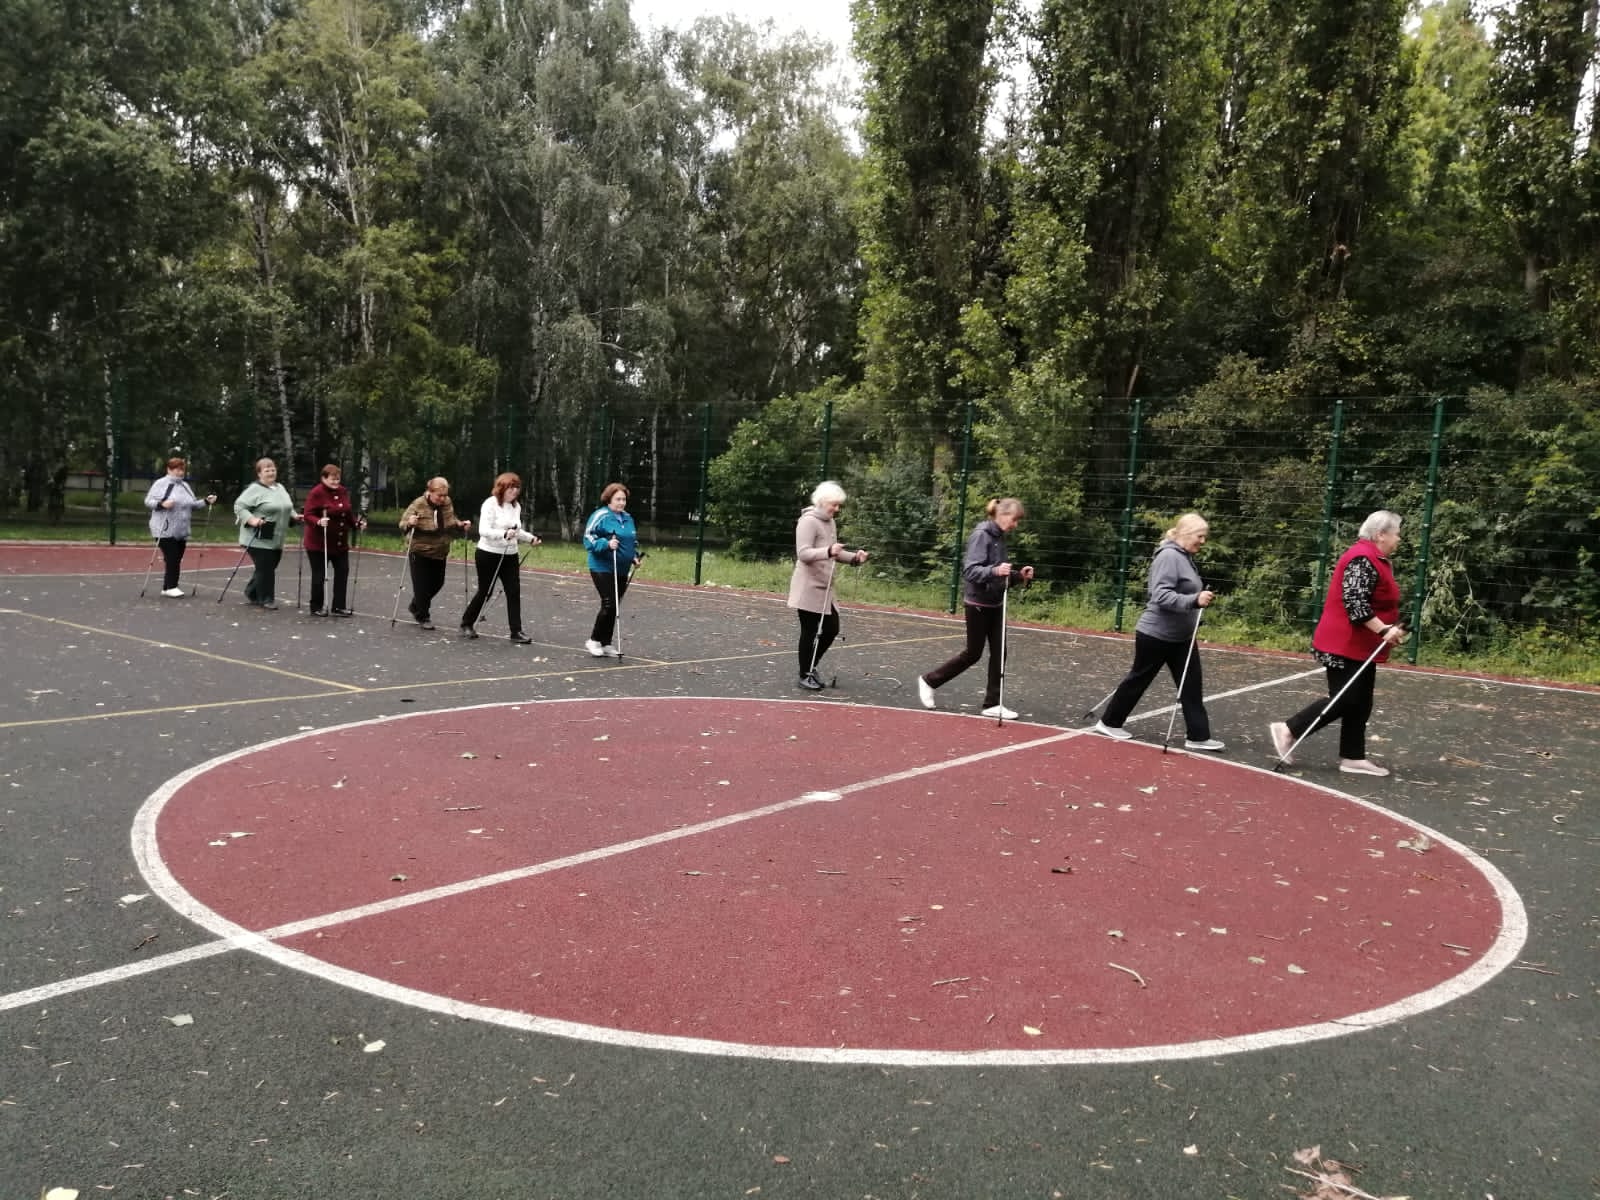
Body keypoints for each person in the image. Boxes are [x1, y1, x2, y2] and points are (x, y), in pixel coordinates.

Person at [1269, 509, 1408, 776]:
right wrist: (1384, 631)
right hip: (1342, 643)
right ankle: (1288, 729)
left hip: (1360, 645)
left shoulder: (1374, 558)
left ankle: (1353, 757)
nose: (1398, 539)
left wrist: (1387, 629)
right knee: (1347, 698)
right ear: (1381, 535)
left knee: (1361, 701)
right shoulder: (1361, 558)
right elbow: (1355, 604)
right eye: (1396, 534)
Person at [1090, 512, 1223, 750]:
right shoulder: (1170, 556)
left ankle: (1198, 736)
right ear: (1186, 534)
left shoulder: (1185, 556)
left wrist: (1195, 606)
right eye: (1200, 536)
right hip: (1157, 634)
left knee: (1191, 684)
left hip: (1182, 637)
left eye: (1205, 537)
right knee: (1139, 679)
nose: (1203, 541)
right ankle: (1109, 722)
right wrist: (1194, 600)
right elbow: (1160, 595)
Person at [917, 497, 1032, 717]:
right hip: (978, 604)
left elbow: (1000, 574)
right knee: (973, 653)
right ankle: (929, 680)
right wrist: (996, 571)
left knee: (1000, 652)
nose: (1016, 525)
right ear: (1003, 515)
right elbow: (970, 571)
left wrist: (1019, 576)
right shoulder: (982, 535)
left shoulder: (999, 538)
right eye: (1015, 519)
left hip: (996, 603)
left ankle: (992, 704)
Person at [788, 481, 869, 690]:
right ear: (822, 501)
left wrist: (854, 558)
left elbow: (834, 551)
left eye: (838, 505)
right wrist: (828, 551)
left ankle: (810, 667)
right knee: (810, 630)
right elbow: (803, 553)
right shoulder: (808, 522)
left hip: (825, 588)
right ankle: (804, 674)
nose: (837, 509)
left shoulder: (830, 522)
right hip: (808, 586)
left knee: (832, 628)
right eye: (834, 504)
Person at [461, 472, 541, 643]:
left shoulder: (515, 506)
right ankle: (467, 623)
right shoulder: (490, 504)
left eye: (517, 488)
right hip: (488, 553)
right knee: (486, 591)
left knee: (514, 591)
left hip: (510, 555)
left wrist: (531, 538)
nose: (514, 492)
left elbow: (516, 530)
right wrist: (503, 534)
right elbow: (483, 530)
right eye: (511, 488)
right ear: (501, 488)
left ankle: (516, 632)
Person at [399, 477, 471, 631]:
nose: (442, 499)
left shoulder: (447, 503)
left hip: (440, 550)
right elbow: (403, 524)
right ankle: (423, 616)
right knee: (421, 586)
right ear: (429, 492)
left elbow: (451, 520)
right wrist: (410, 523)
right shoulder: (418, 503)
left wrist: (460, 525)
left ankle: (415, 605)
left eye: (445, 495)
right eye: (439, 495)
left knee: (438, 583)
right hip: (420, 551)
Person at [581, 482, 641, 657]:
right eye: (618, 499)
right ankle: (593, 640)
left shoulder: (628, 518)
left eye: (623, 499)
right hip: (602, 566)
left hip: (621, 568)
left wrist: (634, 556)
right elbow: (588, 537)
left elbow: (631, 541)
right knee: (609, 602)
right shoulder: (601, 515)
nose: (621, 503)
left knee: (615, 605)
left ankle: (606, 643)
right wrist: (606, 544)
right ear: (609, 499)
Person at [143, 457, 216, 597]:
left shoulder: (185, 486)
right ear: (169, 469)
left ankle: (166, 587)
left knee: (176, 558)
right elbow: (148, 501)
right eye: (177, 469)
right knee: (172, 557)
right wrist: (161, 504)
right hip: (164, 528)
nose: (180, 472)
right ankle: (172, 587)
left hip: (181, 530)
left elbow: (192, 505)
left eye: (182, 469)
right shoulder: (161, 483)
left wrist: (206, 501)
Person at [232, 458, 299, 609]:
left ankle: (252, 591)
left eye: (273, 469)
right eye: (267, 470)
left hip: (276, 537)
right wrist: (252, 519)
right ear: (259, 473)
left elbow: (286, 507)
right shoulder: (254, 489)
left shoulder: (280, 487)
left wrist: (294, 516)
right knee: (266, 568)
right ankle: (266, 599)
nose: (271, 472)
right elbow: (239, 506)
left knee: (267, 567)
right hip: (257, 536)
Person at [300, 464, 366, 616]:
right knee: (320, 575)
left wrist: (356, 524)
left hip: (339, 542)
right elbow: (308, 514)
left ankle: (338, 606)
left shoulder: (342, 491)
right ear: (323, 478)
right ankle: (316, 606)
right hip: (319, 543)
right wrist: (318, 521)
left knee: (343, 572)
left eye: (338, 479)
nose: (336, 482)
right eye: (332, 480)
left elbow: (347, 513)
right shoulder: (316, 493)